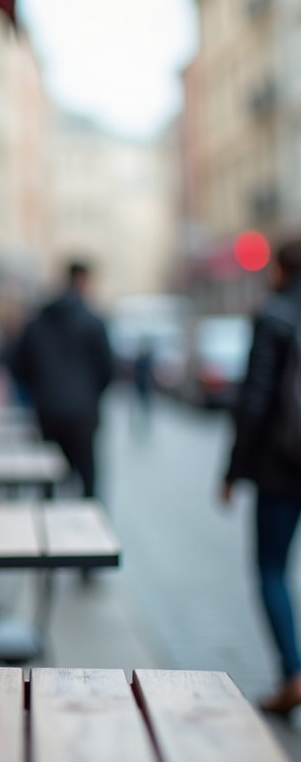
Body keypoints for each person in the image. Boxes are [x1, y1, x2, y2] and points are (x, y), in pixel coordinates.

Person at [222, 239, 301, 715]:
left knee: (272, 569)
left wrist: (233, 469)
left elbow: (253, 401)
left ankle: (293, 672)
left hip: (281, 466)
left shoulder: (273, 314)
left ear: (279, 270)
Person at [8, 261, 114, 500]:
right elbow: (108, 369)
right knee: (88, 483)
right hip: (83, 414)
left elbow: (17, 365)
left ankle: (48, 527)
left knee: (48, 480)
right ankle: (87, 533)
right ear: (84, 280)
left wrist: (40, 389)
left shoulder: (36, 322)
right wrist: (89, 394)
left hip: (47, 412)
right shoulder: (93, 322)